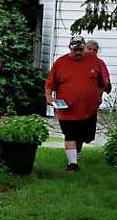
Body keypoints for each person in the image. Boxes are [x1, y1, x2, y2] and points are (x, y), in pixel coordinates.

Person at [45, 36, 106, 171]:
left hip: (88, 109)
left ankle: (76, 152)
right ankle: (72, 164)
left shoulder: (94, 60)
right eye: (75, 50)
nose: (78, 52)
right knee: (70, 134)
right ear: (69, 49)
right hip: (67, 109)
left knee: (86, 137)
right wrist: (49, 98)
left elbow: (103, 82)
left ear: (84, 48)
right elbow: (49, 84)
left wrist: (98, 96)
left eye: (80, 49)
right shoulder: (61, 63)